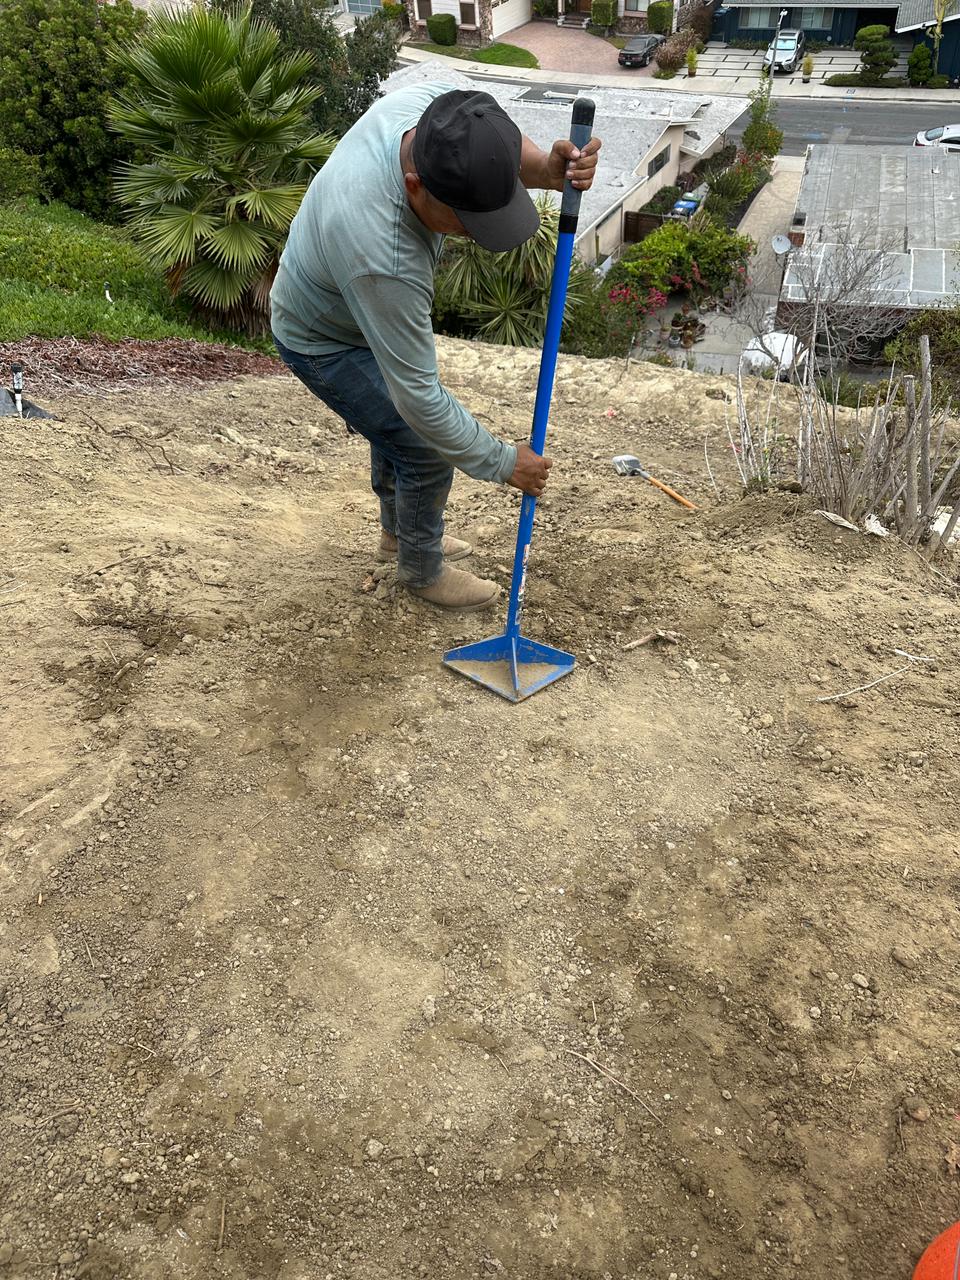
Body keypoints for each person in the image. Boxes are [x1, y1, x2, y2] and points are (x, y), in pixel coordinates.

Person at [271, 82, 600, 612]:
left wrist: (543, 168)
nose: (474, 234)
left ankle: (399, 534)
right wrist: (503, 462)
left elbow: (491, 137)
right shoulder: (385, 255)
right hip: (321, 339)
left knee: (395, 429)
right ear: (415, 186)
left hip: (348, 305)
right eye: (467, 222)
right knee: (420, 445)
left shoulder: (431, 112)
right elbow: (419, 401)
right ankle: (420, 569)